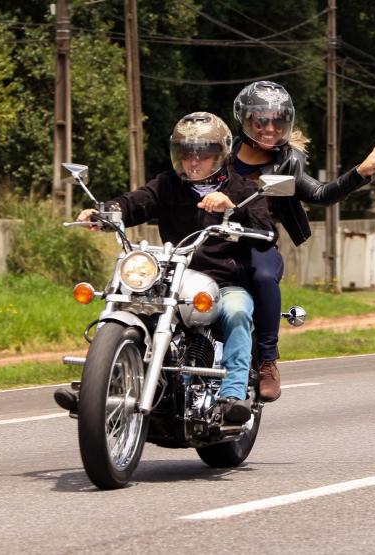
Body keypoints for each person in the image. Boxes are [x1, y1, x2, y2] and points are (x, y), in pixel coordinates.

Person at [56, 112, 275, 424]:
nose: (193, 163)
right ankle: (97, 387)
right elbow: (135, 202)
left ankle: (233, 395)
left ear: (220, 155)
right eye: (187, 155)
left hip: (222, 282)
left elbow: (267, 231)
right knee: (125, 301)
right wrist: (103, 212)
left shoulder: (240, 189)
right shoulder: (168, 184)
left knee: (239, 311)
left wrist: (233, 210)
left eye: (202, 155)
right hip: (173, 277)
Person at [229, 80, 375, 402]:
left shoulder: (288, 163)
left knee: (263, 276)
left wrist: (359, 172)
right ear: (245, 120)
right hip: (212, 242)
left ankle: (267, 361)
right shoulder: (220, 154)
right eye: (261, 120)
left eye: (277, 120)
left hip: (258, 243)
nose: (269, 128)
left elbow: (321, 194)